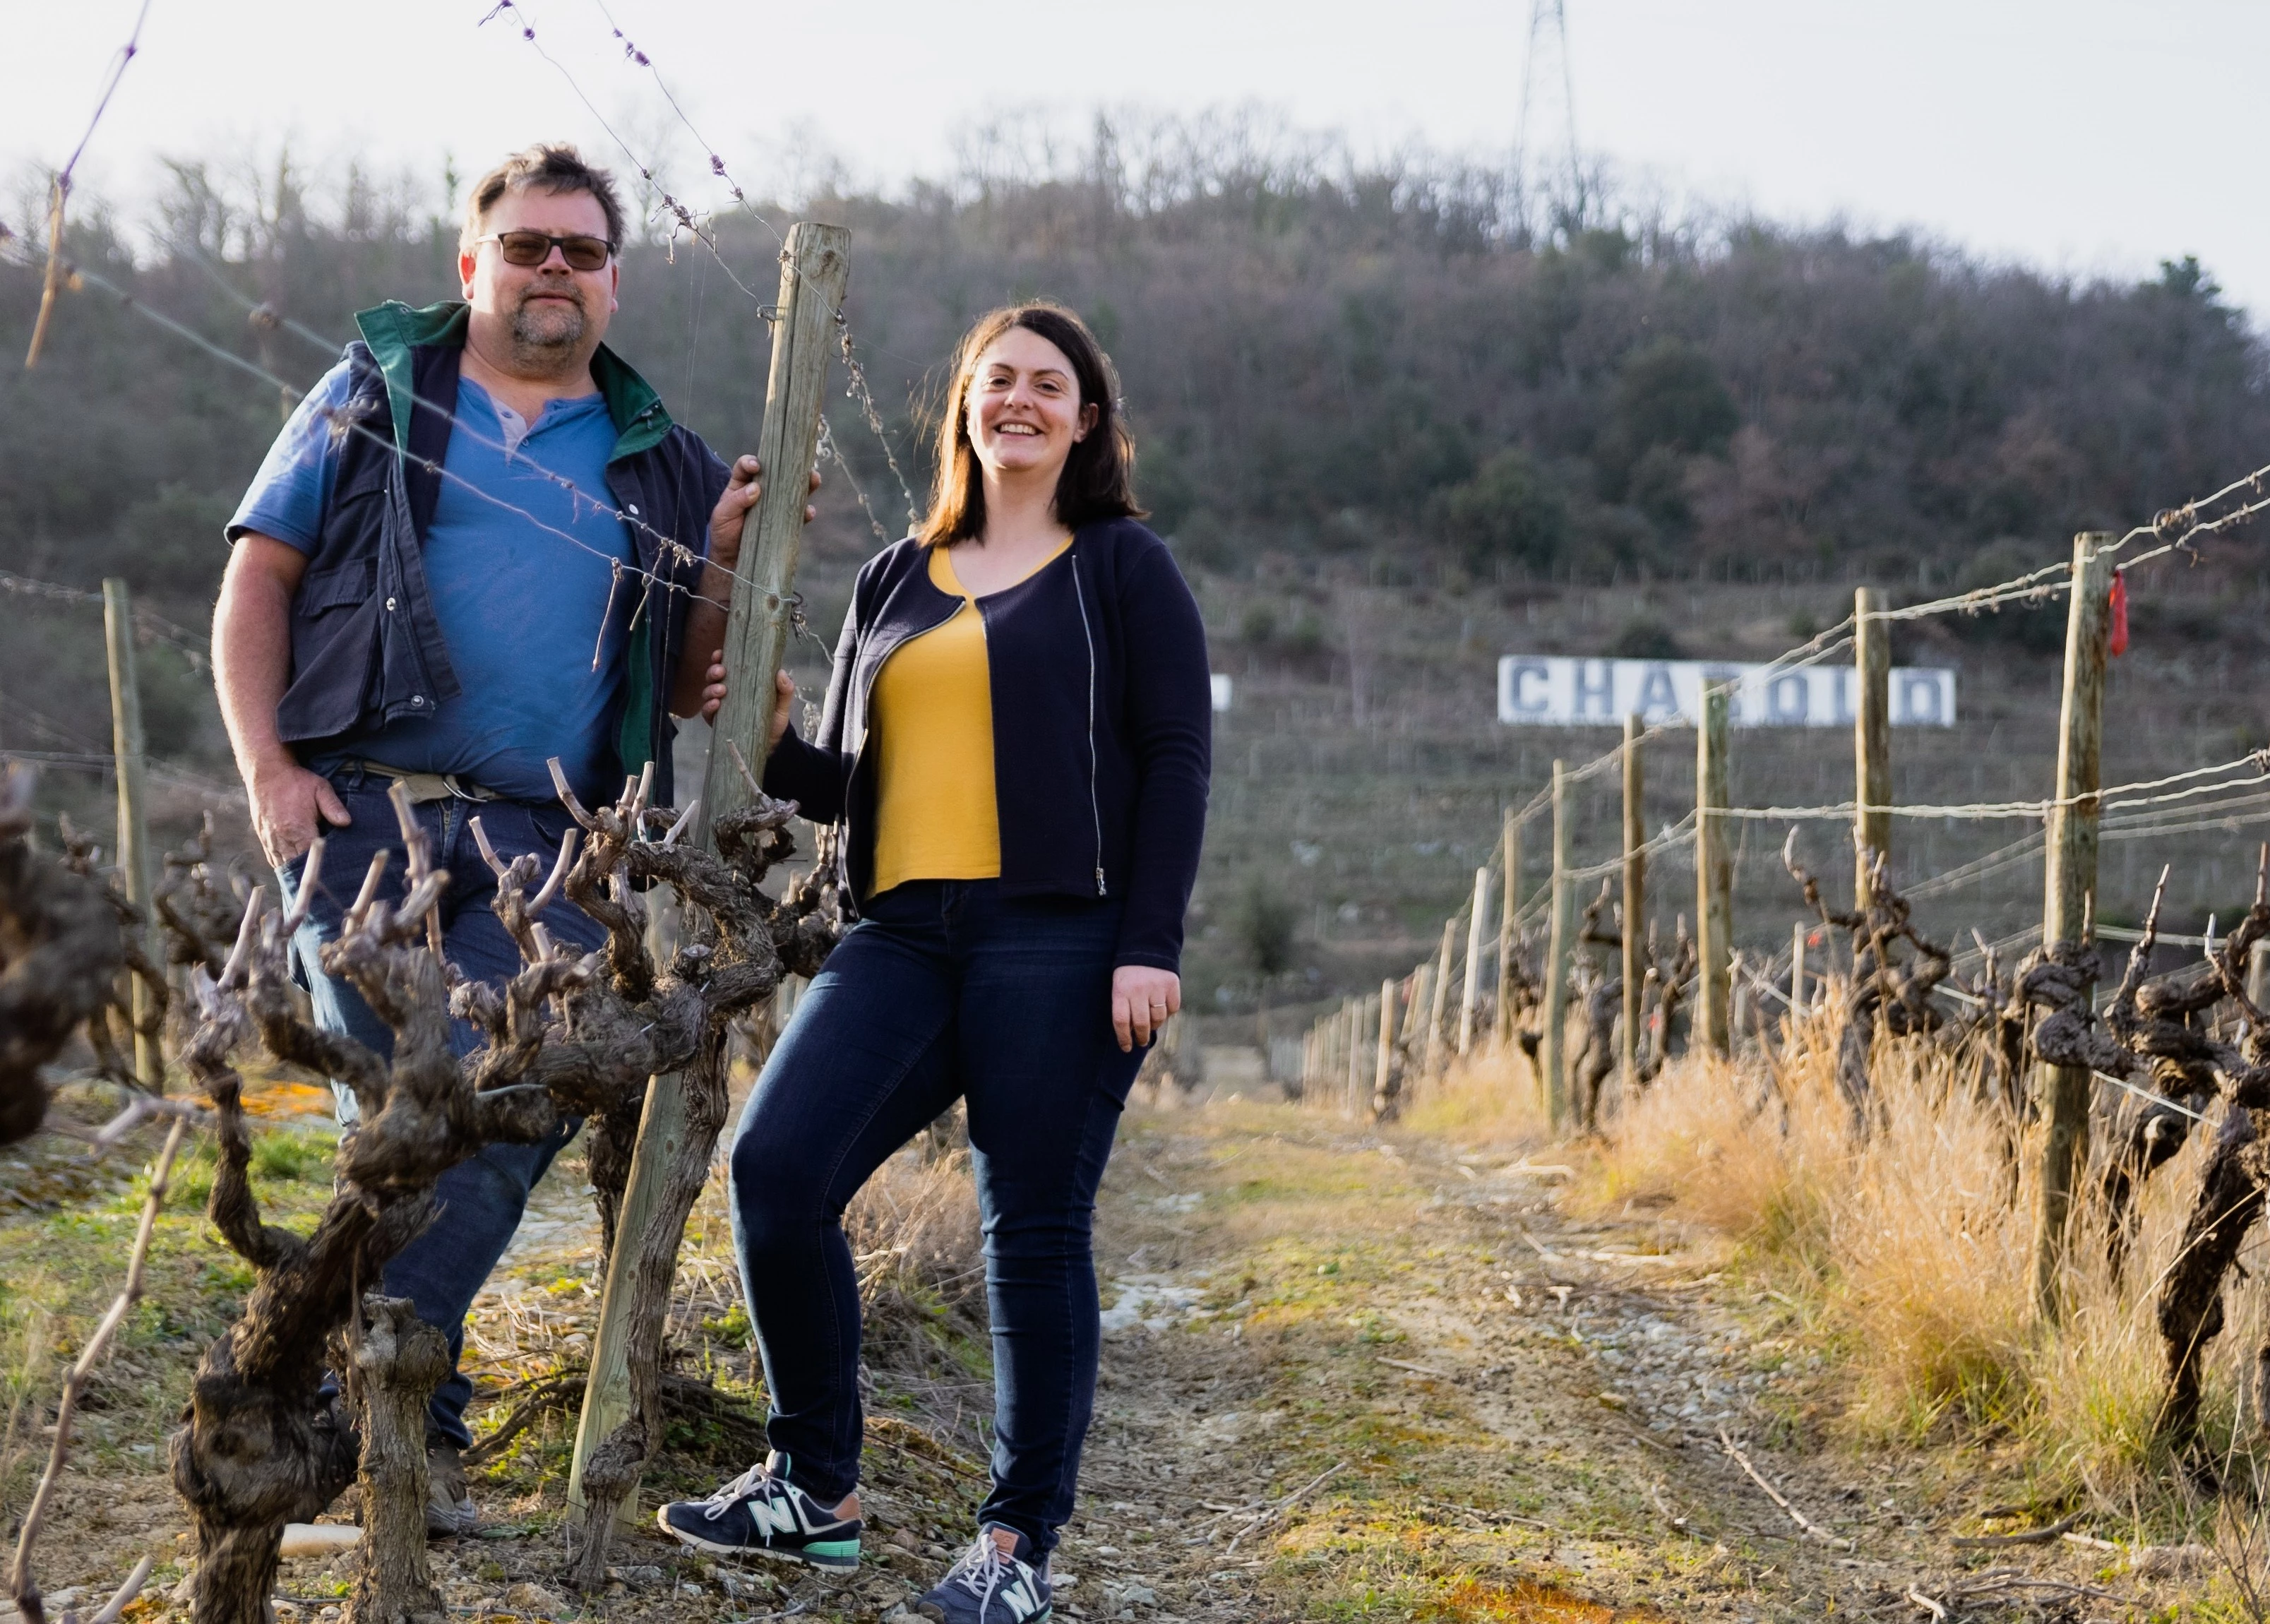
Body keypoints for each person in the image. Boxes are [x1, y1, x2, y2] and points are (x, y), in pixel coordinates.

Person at [212, 143, 809, 1535]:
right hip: (362, 819)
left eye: (581, 250)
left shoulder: (659, 457)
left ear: (612, 280)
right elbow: (257, 578)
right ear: (470, 263)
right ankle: (396, 1426)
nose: (554, 269)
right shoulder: (375, 394)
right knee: (402, 1117)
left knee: (516, 1101)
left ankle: (374, 1406)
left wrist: (727, 553)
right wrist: (268, 774)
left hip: (551, 848)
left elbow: (683, 686)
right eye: (528, 244)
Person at [656, 304, 1212, 1622]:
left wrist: (1148, 946)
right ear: (963, 404)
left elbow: (1177, 760)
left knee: (1030, 1228)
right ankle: (816, 1489)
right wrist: (774, 740)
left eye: (1048, 385)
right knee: (778, 1169)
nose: (1019, 400)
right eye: (996, 379)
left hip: (1063, 933)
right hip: (902, 931)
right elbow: (854, 787)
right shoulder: (894, 578)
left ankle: (1015, 1549)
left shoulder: (1122, 566)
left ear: (1085, 420)